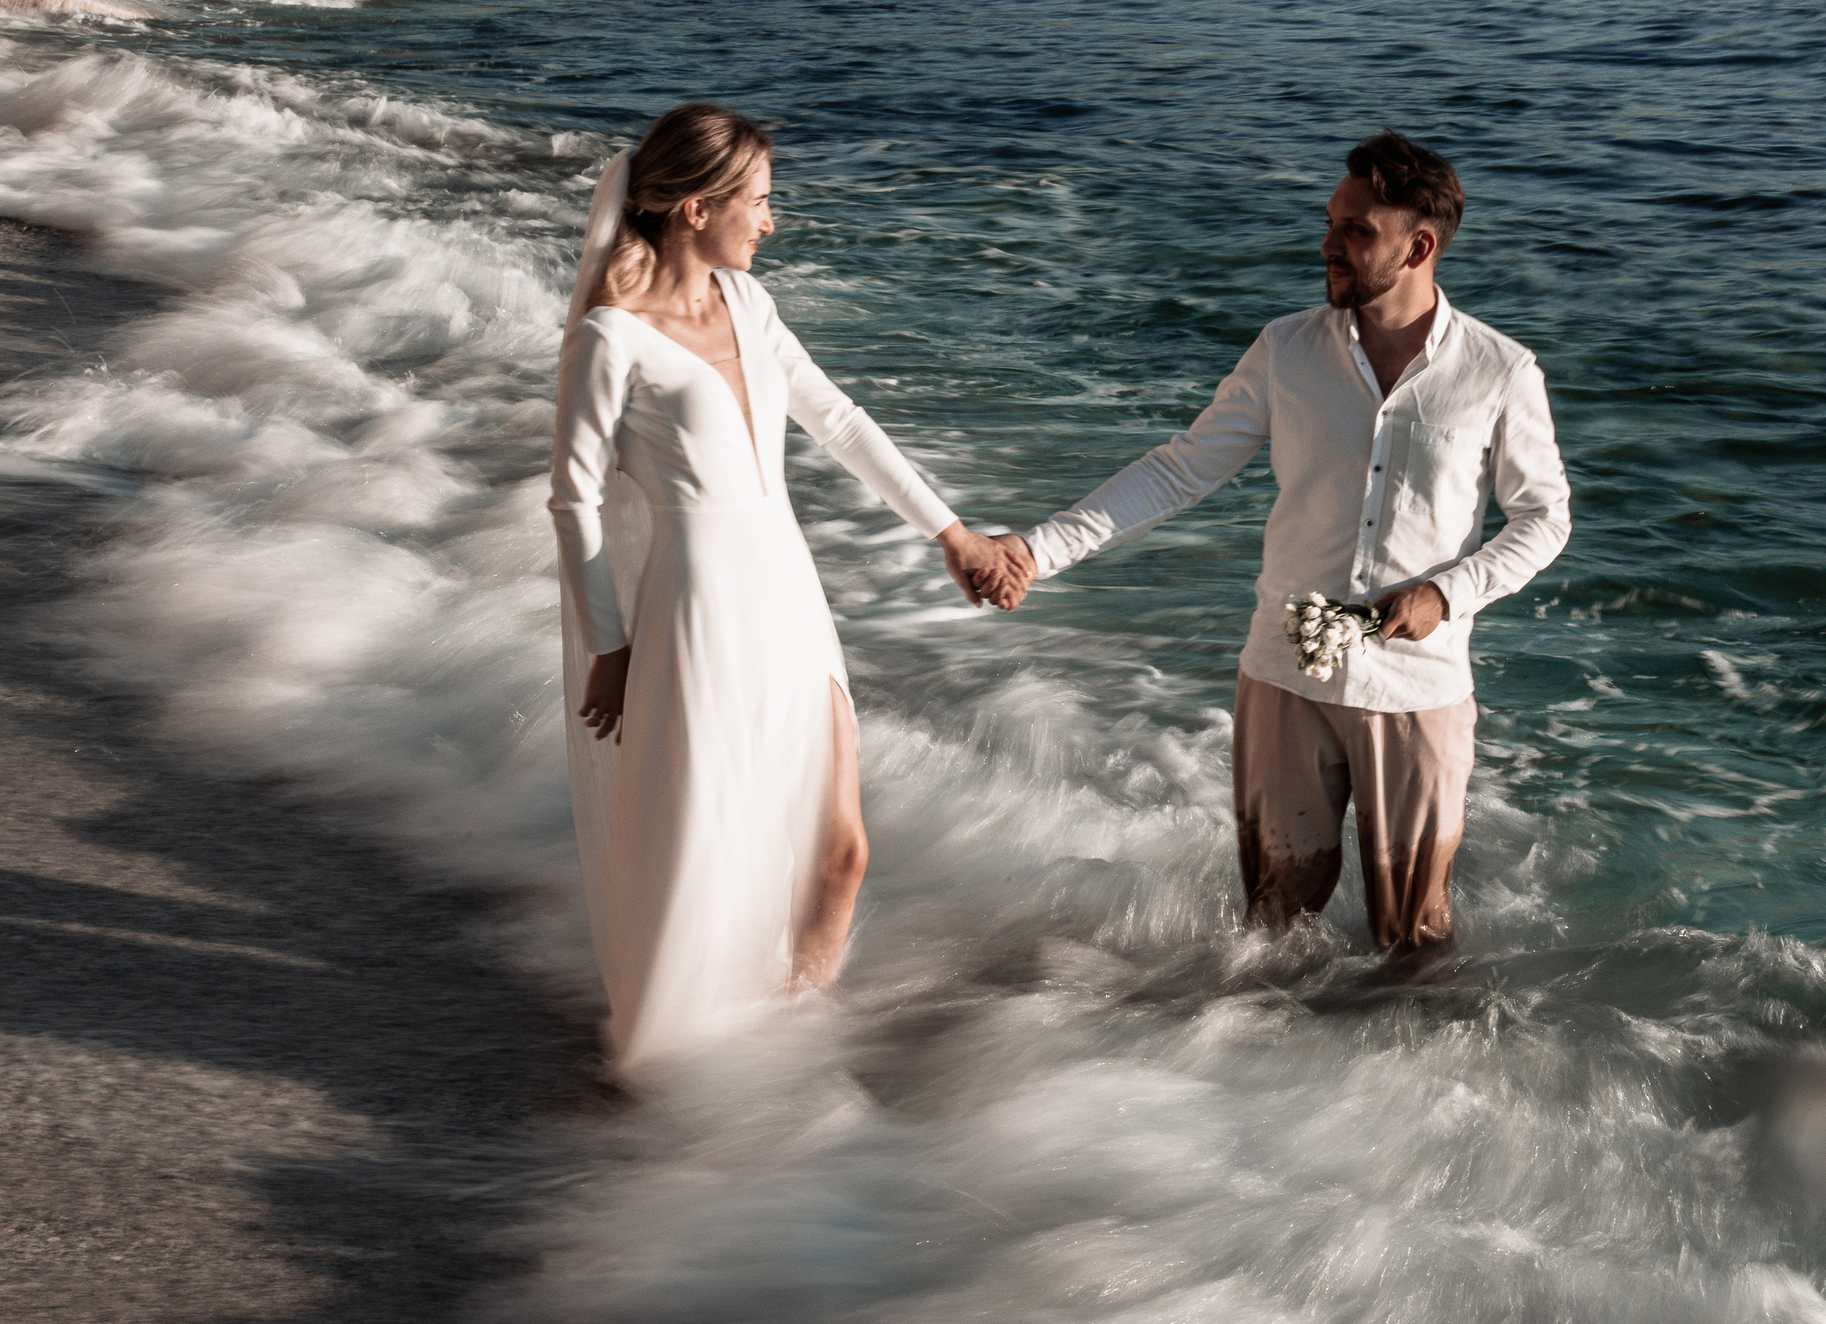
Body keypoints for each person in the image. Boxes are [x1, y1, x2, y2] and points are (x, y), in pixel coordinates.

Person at [975, 133, 1571, 950]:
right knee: (1272, 926)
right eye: (1330, 221)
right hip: (1283, 676)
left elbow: (1545, 518)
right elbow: (1180, 470)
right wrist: (1035, 552)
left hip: (1416, 690)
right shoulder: (1286, 350)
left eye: (1355, 229)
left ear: (1419, 246)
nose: (1327, 243)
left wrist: (1447, 594)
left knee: (1415, 939)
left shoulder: (1499, 371)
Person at [551, 103, 1012, 1072]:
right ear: (692, 207)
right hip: (695, 610)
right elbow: (574, 500)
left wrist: (953, 531)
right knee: (710, 850)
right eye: (758, 200)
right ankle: (683, 1064)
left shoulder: (751, 306)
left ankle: (789, 1045)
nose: (771, 219)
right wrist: (609, 646)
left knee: (842, 854)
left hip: (791, 594)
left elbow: (838, 422)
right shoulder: (612, 338)